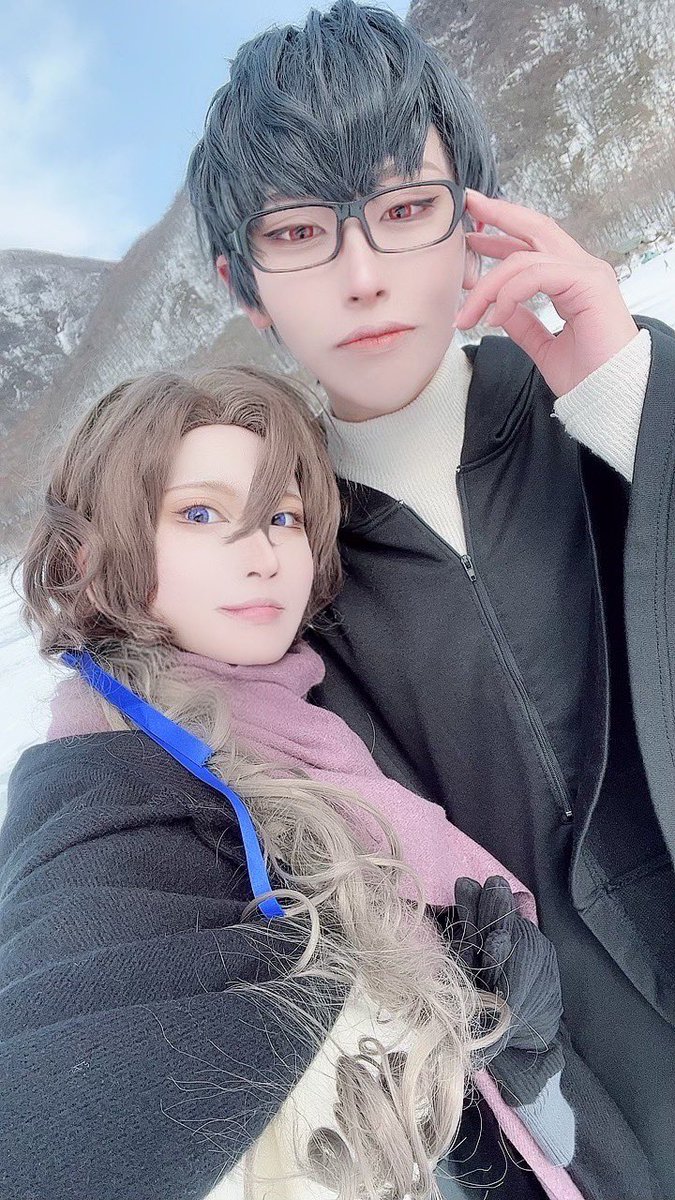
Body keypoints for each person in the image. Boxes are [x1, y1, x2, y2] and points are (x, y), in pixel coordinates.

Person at [185, 2, 675, 1198]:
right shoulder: (269, 580)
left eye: (405, 211)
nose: (363, 277)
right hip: (578, 1131)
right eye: (299, 233)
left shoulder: (618, 401)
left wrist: (632, 407)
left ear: (476, 220)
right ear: (245, 286)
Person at [1, 365, 593, 1200]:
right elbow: (60, 1076)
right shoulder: (114, 784)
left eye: (281, 515)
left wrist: (512, 1042)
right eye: (199, 513)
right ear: (92, 558)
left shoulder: (300, 723)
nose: (263, 555)